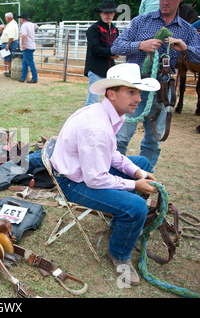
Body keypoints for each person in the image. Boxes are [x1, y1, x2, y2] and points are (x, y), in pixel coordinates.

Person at [50, 63, 161, 286]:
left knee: (142, 163)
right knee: (136, 207)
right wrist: (134, 185)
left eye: (138, 92)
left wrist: (137, 172)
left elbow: (111, 154)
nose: (138, 98)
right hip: (73, 182)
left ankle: (123, 223)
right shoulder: (97, 127)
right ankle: (119, 254)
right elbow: (95, 179)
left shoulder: (104, 113)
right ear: (111, 94)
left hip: (81, 171)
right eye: (131, 92)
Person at [111, 0, 200, 170]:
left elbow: (199, 56)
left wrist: (185, 48)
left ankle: (144, 178)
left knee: (154, 139)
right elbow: (116, 46)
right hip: (134, 85)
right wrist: (140, 45)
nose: (165, 2)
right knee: (121, 137)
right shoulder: (140, 21)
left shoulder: (187, 29)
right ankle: (115, 175)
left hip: (162, 87)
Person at [84, 0, 120, 106]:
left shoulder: (115, 30)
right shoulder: (93, 29)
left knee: (110, 100)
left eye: (110, 13)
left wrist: (116, 51)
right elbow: (95, 48)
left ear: (114, 14)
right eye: (105, 13)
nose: (107, 15)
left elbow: (116, 46)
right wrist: (111, 52)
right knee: (93, 101)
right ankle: (88, 121)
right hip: (96, 69)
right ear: (100, 13)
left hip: (110, 70)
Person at [18, 13, 39, 83]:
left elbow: (24, 36)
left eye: (21, 19)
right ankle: (22, 77)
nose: (20, 20)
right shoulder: (31, 24)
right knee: (25, 63)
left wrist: (22, 45)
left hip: (27, 46)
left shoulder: (24, 26)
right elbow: (37, 26)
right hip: (32, 45)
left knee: (30, 63)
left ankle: (34, 78)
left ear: (23, 19)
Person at [0, 12, 19, 77]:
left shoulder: (11, 25)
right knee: (9, 59)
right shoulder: (11, 24)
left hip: (10, 43)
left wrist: (8, 45)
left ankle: (11, 71)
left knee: (10, 58)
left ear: (8, 18)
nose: (5, 19)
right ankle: (10, 71)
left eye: (5, 17)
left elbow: (11, 36)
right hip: (10, 42)